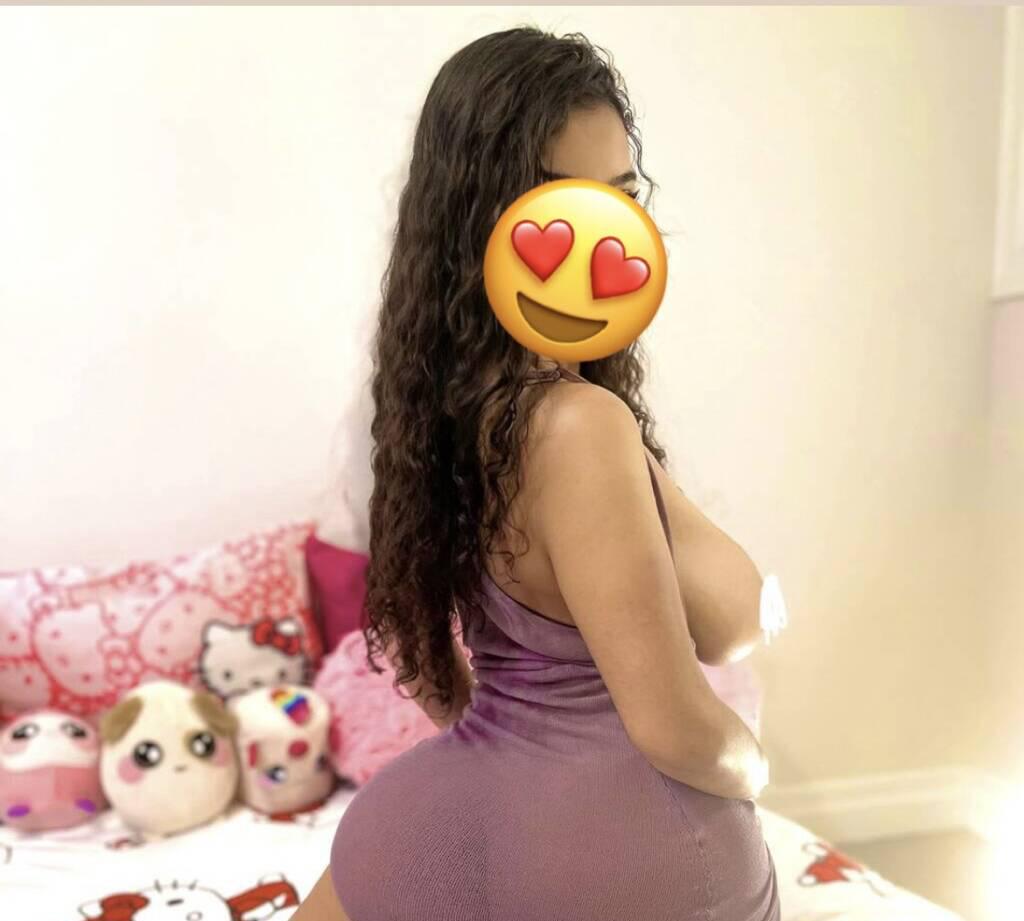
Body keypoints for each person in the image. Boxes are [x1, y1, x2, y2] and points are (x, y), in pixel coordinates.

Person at [294, 25, 780, 921]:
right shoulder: (579, 426)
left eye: (621, 202)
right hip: (650, 849)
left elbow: (435, 672)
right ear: (481, 222)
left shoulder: (433, 415)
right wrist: (755, 767)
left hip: (495, 811)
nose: (600, 247)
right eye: (562, 206)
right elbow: (677, 721)